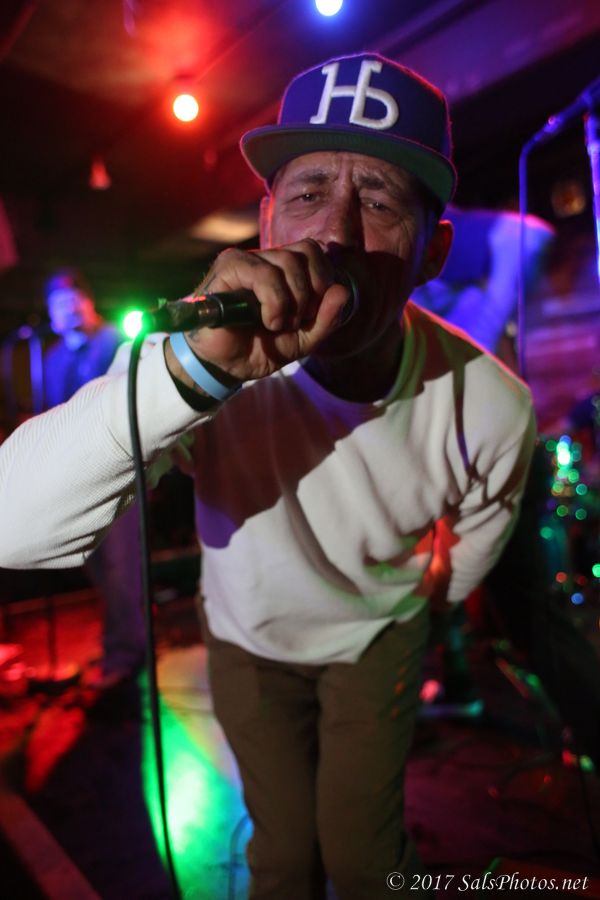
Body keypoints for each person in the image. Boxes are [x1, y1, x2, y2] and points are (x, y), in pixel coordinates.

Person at [0, 54, 535, 897]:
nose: (335, 233)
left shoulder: (493, 404)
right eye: (308, 193)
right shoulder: (204, 367)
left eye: (380, 201)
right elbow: (10, 526)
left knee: (367, 862)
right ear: (266, 223)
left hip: (377, 642)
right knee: (282, 860)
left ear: (432, 252)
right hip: (248, 643)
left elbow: (478, 538)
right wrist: (193, 376)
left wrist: (421, 606)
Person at [43, 269, 145, 689]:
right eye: (58, 305)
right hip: (76, 478)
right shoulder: (52, 358)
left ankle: (125, 655)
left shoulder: (113, 342)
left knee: (122, 566)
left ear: (88, 302)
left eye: (73, 301)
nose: (67, 311)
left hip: (117, 473)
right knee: (97, 565)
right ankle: (130, 639)